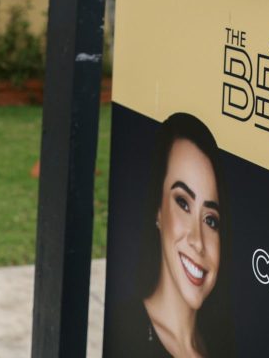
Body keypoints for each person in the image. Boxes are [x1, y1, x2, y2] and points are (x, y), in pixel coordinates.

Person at [107, 113, 233, 357]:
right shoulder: (125, 335)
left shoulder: (221, 346)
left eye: (210, 220)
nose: (198, 241)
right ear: (158, 211)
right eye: (183, 203)